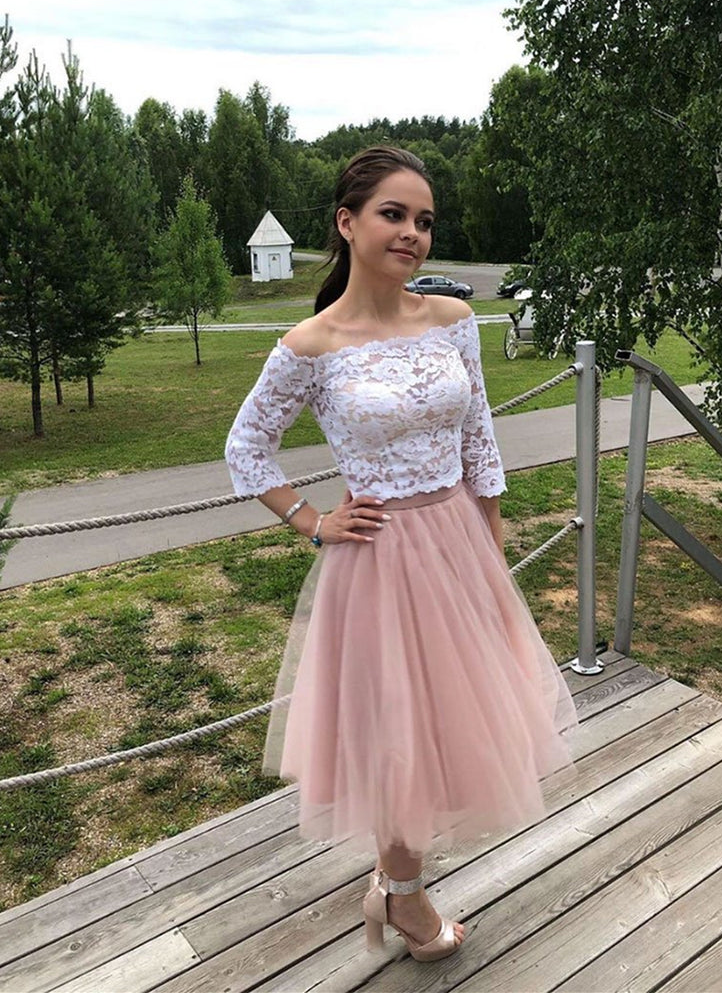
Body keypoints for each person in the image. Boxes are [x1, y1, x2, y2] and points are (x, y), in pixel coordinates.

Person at [225, 146, 578, 962]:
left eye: (424, 220)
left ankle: (393, 886)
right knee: (397, 737)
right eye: (393, 214)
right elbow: (247, 450)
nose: (412, 233)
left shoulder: (454, 322)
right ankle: (405, 897)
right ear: (347, 223)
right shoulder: (311, 345)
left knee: (453, 731)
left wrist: (492, 564)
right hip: (378, 563)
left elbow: (483, 451)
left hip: (458, 544)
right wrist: (314, 522)